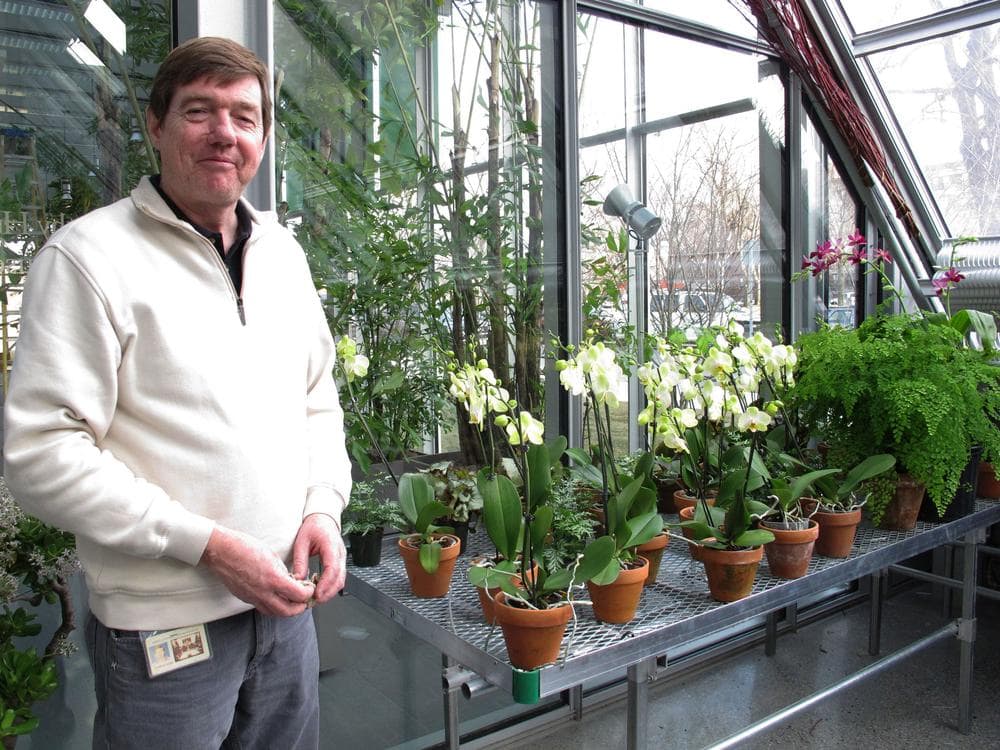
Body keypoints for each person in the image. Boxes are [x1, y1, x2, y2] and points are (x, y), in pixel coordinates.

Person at [3, 37, 352, 749]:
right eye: (201, 110)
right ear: (156, 127)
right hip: (167, 627)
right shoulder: (87, 259)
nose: (225, 131)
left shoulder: (282, 255)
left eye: (245, 116)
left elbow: (316, 397)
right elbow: (42, 455)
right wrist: (209, 547)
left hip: (286, 608)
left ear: (262, 137)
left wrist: (323, 507)